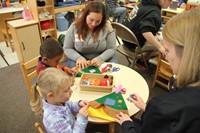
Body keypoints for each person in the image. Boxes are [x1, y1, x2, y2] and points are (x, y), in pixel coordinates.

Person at [115, 8, 200, 133]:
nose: (165, 55)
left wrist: (127, 124)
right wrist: (147, 109)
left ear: (187, 55)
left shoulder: (162, 108)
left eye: (167, 50)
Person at [30, 67, 89, 133]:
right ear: (51, 96)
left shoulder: (57, 101)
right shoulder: (55, 120)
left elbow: (69, 105)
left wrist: (78, 104)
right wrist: (81, 119)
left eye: (69, 87)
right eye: (66, 90)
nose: (71, 91)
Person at [63, 1, 117, 69]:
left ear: (102, 19)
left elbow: (112, 48)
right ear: (85, 16)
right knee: (76, 73)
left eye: (98, 21)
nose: (94, 24)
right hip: (80, 57)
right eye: (91, 20)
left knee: (113, 70)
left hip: (102, 57)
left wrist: (100, 58)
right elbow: (67, 48)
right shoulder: (75, 26)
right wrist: (78, 58)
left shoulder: (107, 27)